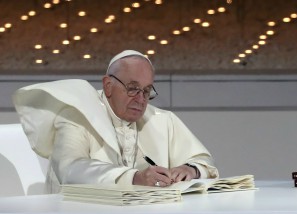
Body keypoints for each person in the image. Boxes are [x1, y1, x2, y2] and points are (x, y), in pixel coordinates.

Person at [13, 50, 218, 193]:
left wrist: (190, 170)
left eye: (147, 91)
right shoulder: (77, 115)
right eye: (132, 88)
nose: (140, 99)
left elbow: (204, 161)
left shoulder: (162, 120)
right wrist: (133, 178)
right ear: (108, 85)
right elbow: (70, 169)